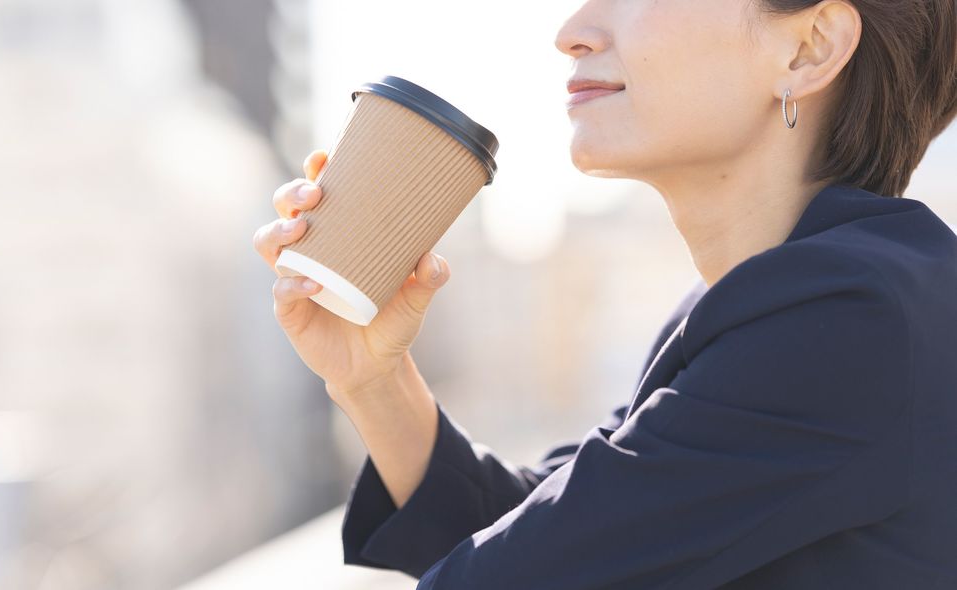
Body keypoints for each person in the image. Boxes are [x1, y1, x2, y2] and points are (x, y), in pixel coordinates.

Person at [253, 0, 957, 587]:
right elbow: (557, 529)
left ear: (808, 48)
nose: (573, 30)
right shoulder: (779, 300)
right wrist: (372, 376)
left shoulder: (846, 318)